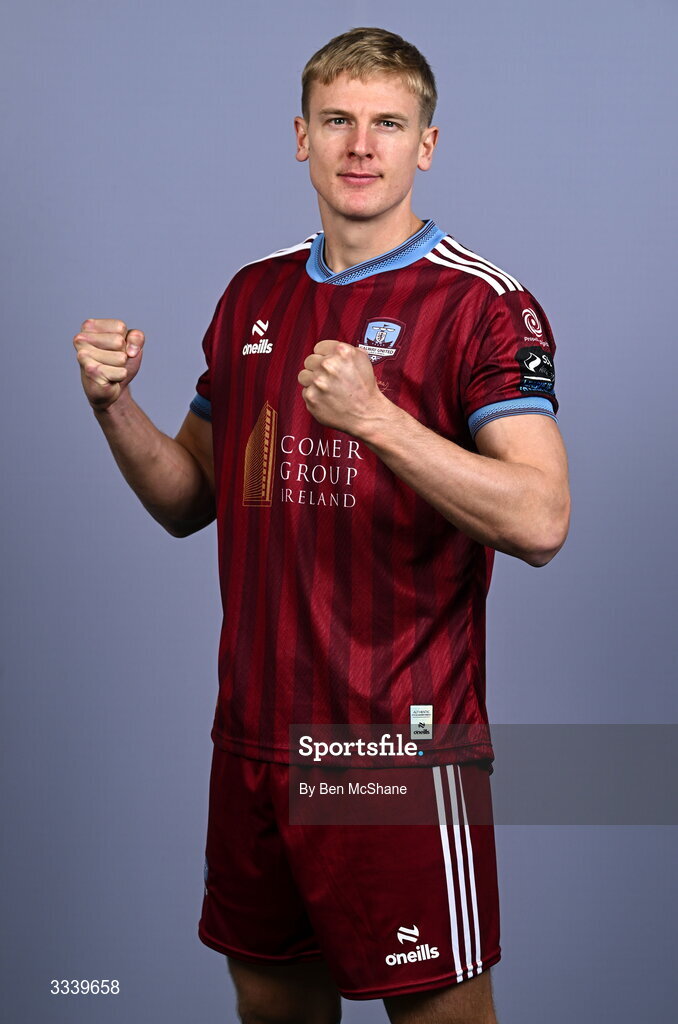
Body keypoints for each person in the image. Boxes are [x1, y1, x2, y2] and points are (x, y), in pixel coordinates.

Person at [73, 26, 570, 1024]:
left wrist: (379, 418)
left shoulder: (483, 306)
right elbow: (187, 500)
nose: (361, 145)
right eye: (338, 120)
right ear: (300, 137)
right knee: (272, 1007)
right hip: (252, 743)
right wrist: (114, 404)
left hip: (391, 752)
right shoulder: (254, 293)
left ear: (425, 145)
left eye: (388, 123)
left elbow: (542, 517)